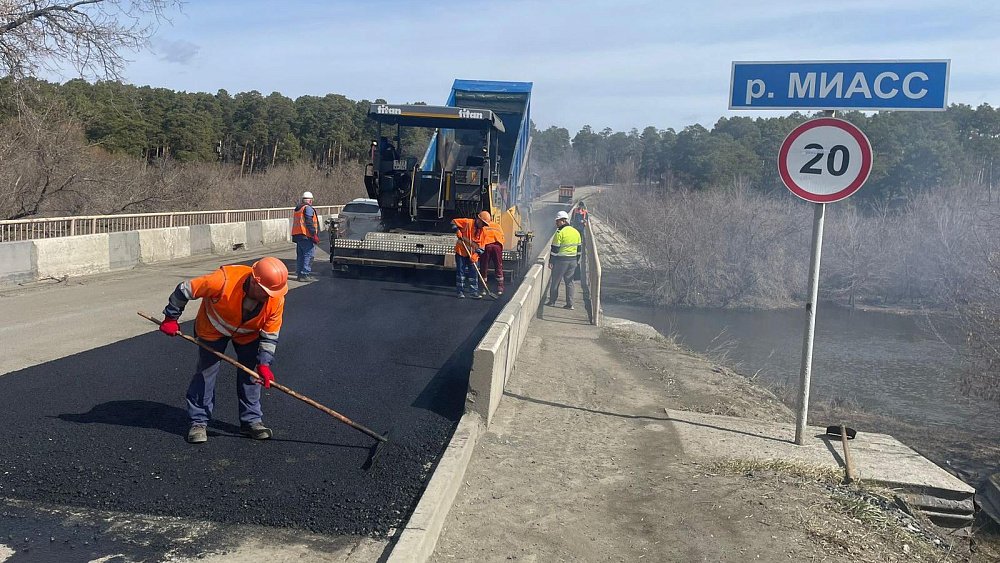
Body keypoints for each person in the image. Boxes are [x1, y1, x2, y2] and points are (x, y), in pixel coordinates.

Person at [159, 256, 288, 444]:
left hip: (247, 334)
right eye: (266, 292)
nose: (270, 296)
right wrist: (171, 318)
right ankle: (198, 422)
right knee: (206, 373)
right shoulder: (224, 280)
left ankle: (251, 421)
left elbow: (270, 334)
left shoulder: (276, 299)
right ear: (254, 281)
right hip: (213, 328)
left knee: (252, 375)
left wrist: (265, 363)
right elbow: (185, 289)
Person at [546, 210, 583, 309]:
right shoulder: (576, 232)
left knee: (555, 281)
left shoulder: (559, 233)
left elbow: (555, 249)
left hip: (561, 261)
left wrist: (551, 261)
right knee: (570, 282)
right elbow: (579, 249)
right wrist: (577, 260)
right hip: (573, 261)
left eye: (557, 221)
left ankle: (552, 301)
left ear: (563, 221)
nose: (556, 223)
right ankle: (570, 304)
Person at [451, 211, 490, 299]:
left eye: (485, 224)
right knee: (461, 272)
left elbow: (482, 247)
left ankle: (473, 292)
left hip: (473, 255)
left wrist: (476, 255)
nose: (483, 225)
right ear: (478, 220)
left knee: (474, 273)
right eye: (483, 223)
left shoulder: (483, 232)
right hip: (461, 252)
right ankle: (460, 291)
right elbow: (453, 222)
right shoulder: (468, 223)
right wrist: (457, 230)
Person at [292, 191, 320, 282]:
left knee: (301, 255)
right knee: (308, 254)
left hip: (298, 235)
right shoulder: (307, 208)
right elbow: (309, 222)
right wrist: (314, 234)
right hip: (306, 235)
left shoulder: (298, 208)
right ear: (310, 200)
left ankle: (300, 274)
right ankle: (304, 274)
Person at [479, 212, 506, 296]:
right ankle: (500, 287)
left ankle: (483, 288)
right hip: (497, 246)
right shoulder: (497, 226)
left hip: (487, 246)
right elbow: (502, 237)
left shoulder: (483, 226)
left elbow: (479, 238)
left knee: (484, 266)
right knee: (498, 265)